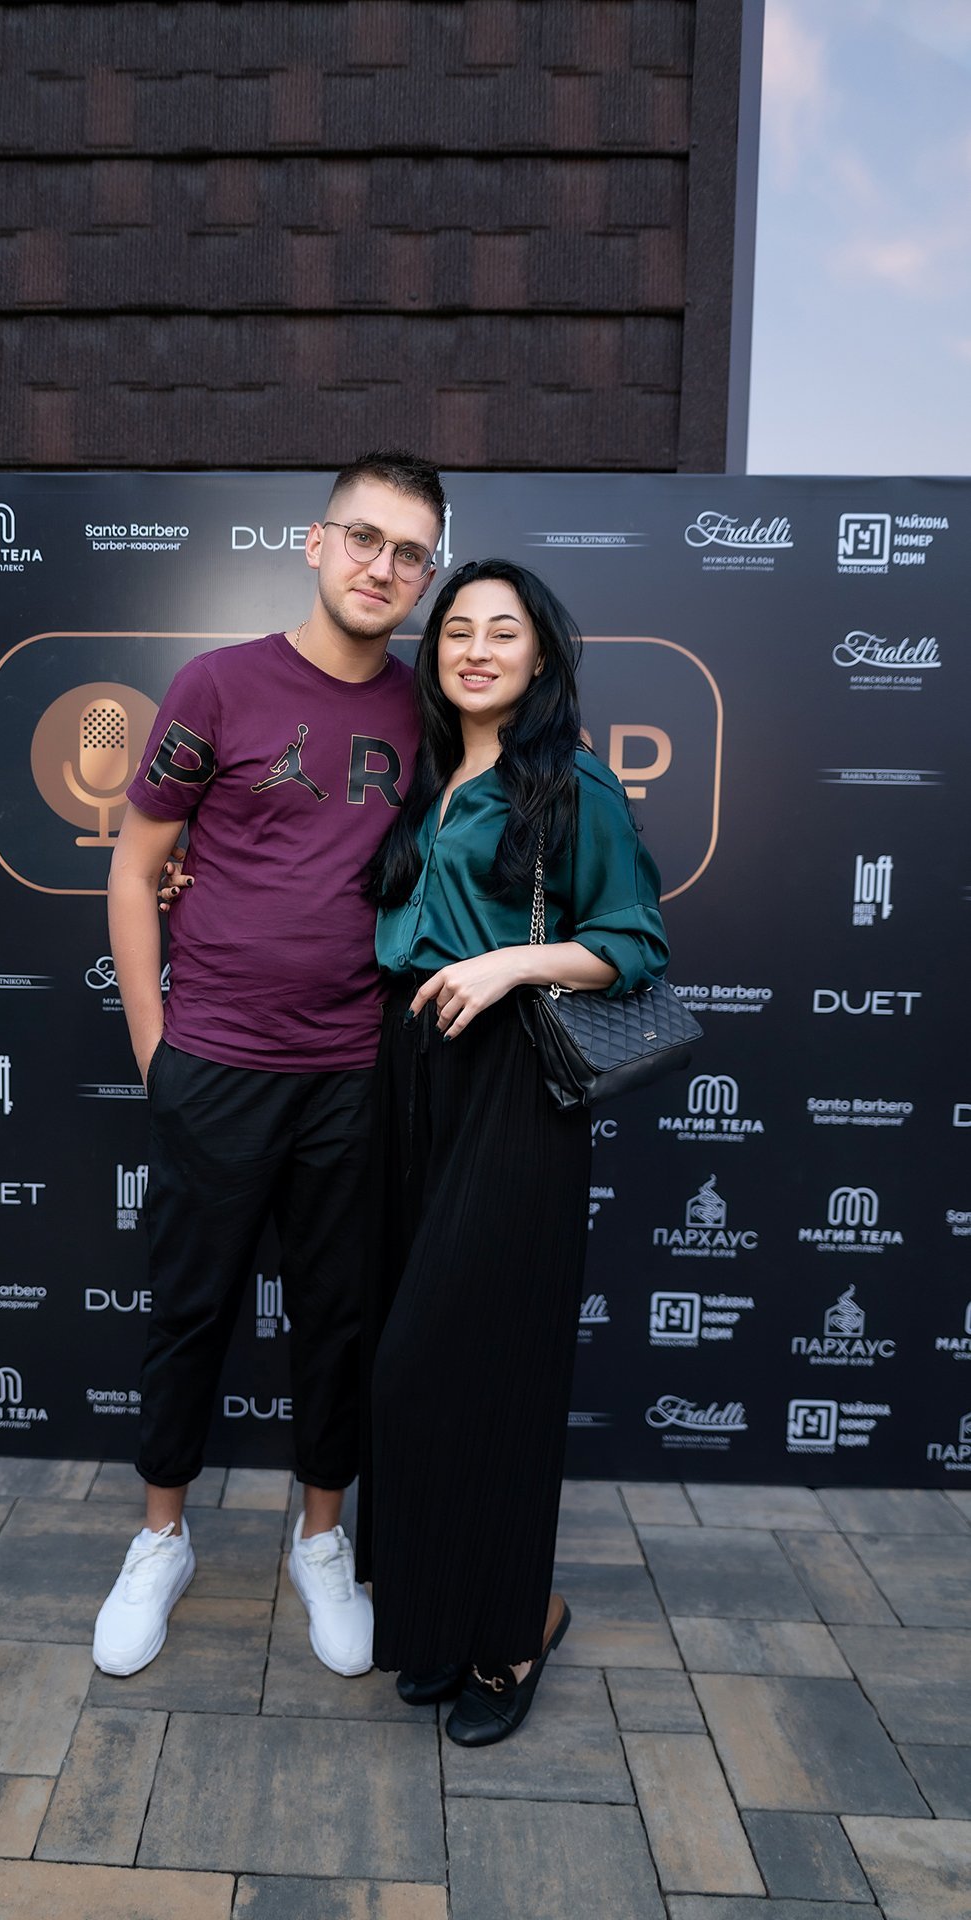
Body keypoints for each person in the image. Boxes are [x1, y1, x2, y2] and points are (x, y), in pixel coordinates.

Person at [93, 450, 447, 1680]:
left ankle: (320, 1540)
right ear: (314, 542)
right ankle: (161, 1537)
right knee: (188, 1310)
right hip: (216, 1066)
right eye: (363, 538)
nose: (381, 567)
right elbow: (136, 868)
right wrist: (156, 1053)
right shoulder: (218, 686)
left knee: (338, 1321)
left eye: (409, 553)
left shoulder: (429, 714)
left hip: (357, 1074)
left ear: (426, 576)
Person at [359, 557, 669, 1746]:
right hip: (412, 1073)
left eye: (501, 631)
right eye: (455, 631)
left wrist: (505, 964)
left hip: (510, 1080)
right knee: (419, 1364)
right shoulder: (433, 776)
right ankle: (446, 1617)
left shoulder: (569, 782)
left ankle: (518, 1625)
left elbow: (632, 942)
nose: (475, 649)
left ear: (539, 657)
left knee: (469, 1363)